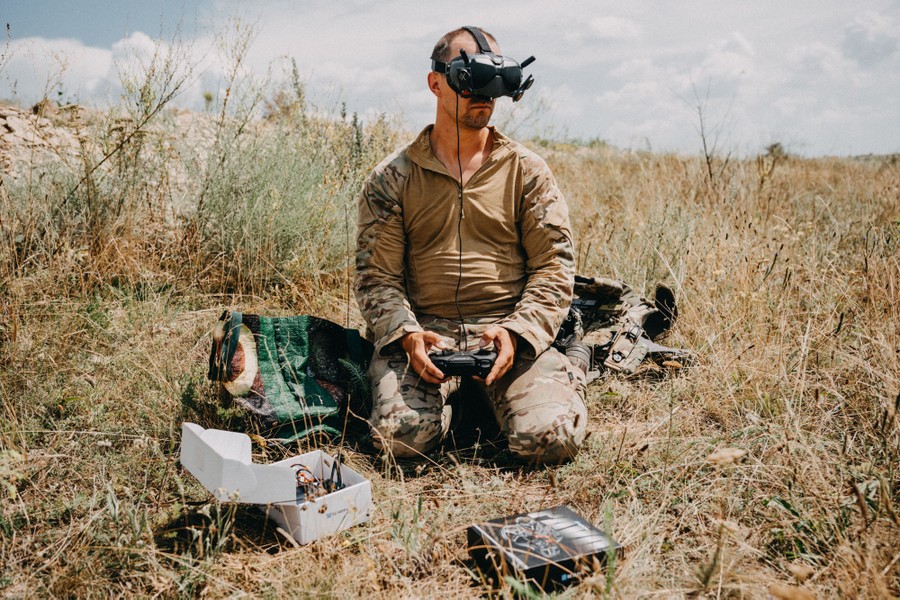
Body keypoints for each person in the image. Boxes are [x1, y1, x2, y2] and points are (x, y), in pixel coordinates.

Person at [354, 26, 587, 464]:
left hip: (506, 331)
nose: (484, 95)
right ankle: (468, 404)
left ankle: (563, 367)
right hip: (425, 335)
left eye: (496, 82)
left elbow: (554, 266)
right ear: (435, 83)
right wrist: (406, 335)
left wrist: (518, 333)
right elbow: (376, 277)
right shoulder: (393, 178)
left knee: (550, 438)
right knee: (401, 439)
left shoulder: (527, 171)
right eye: (470, 78)